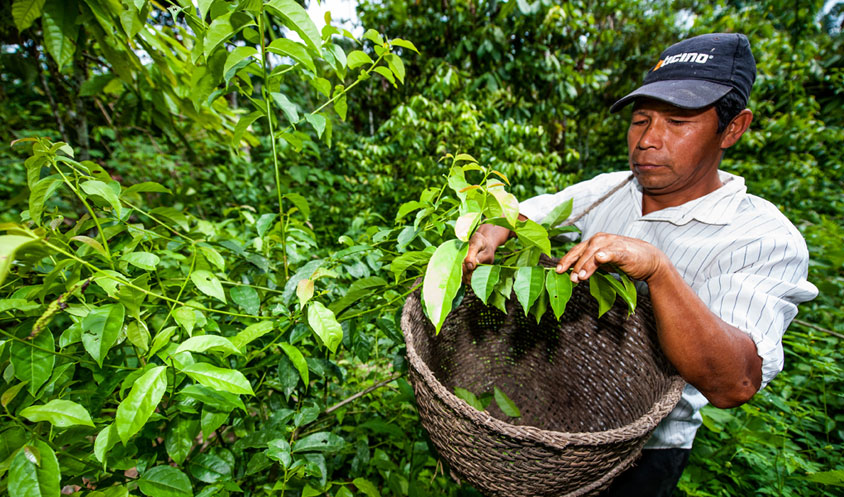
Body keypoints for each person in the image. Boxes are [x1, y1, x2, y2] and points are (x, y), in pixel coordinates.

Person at [461, 33, 818, 496]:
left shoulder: (761, 238)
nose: (648, 140)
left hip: (641, 457)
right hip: (551, 424)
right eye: (640, 120)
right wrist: (493, 230)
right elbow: (532, 211)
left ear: (733, 128)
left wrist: (659, 271)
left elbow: (736, 382)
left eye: (677, 121)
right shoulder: (613, 188)